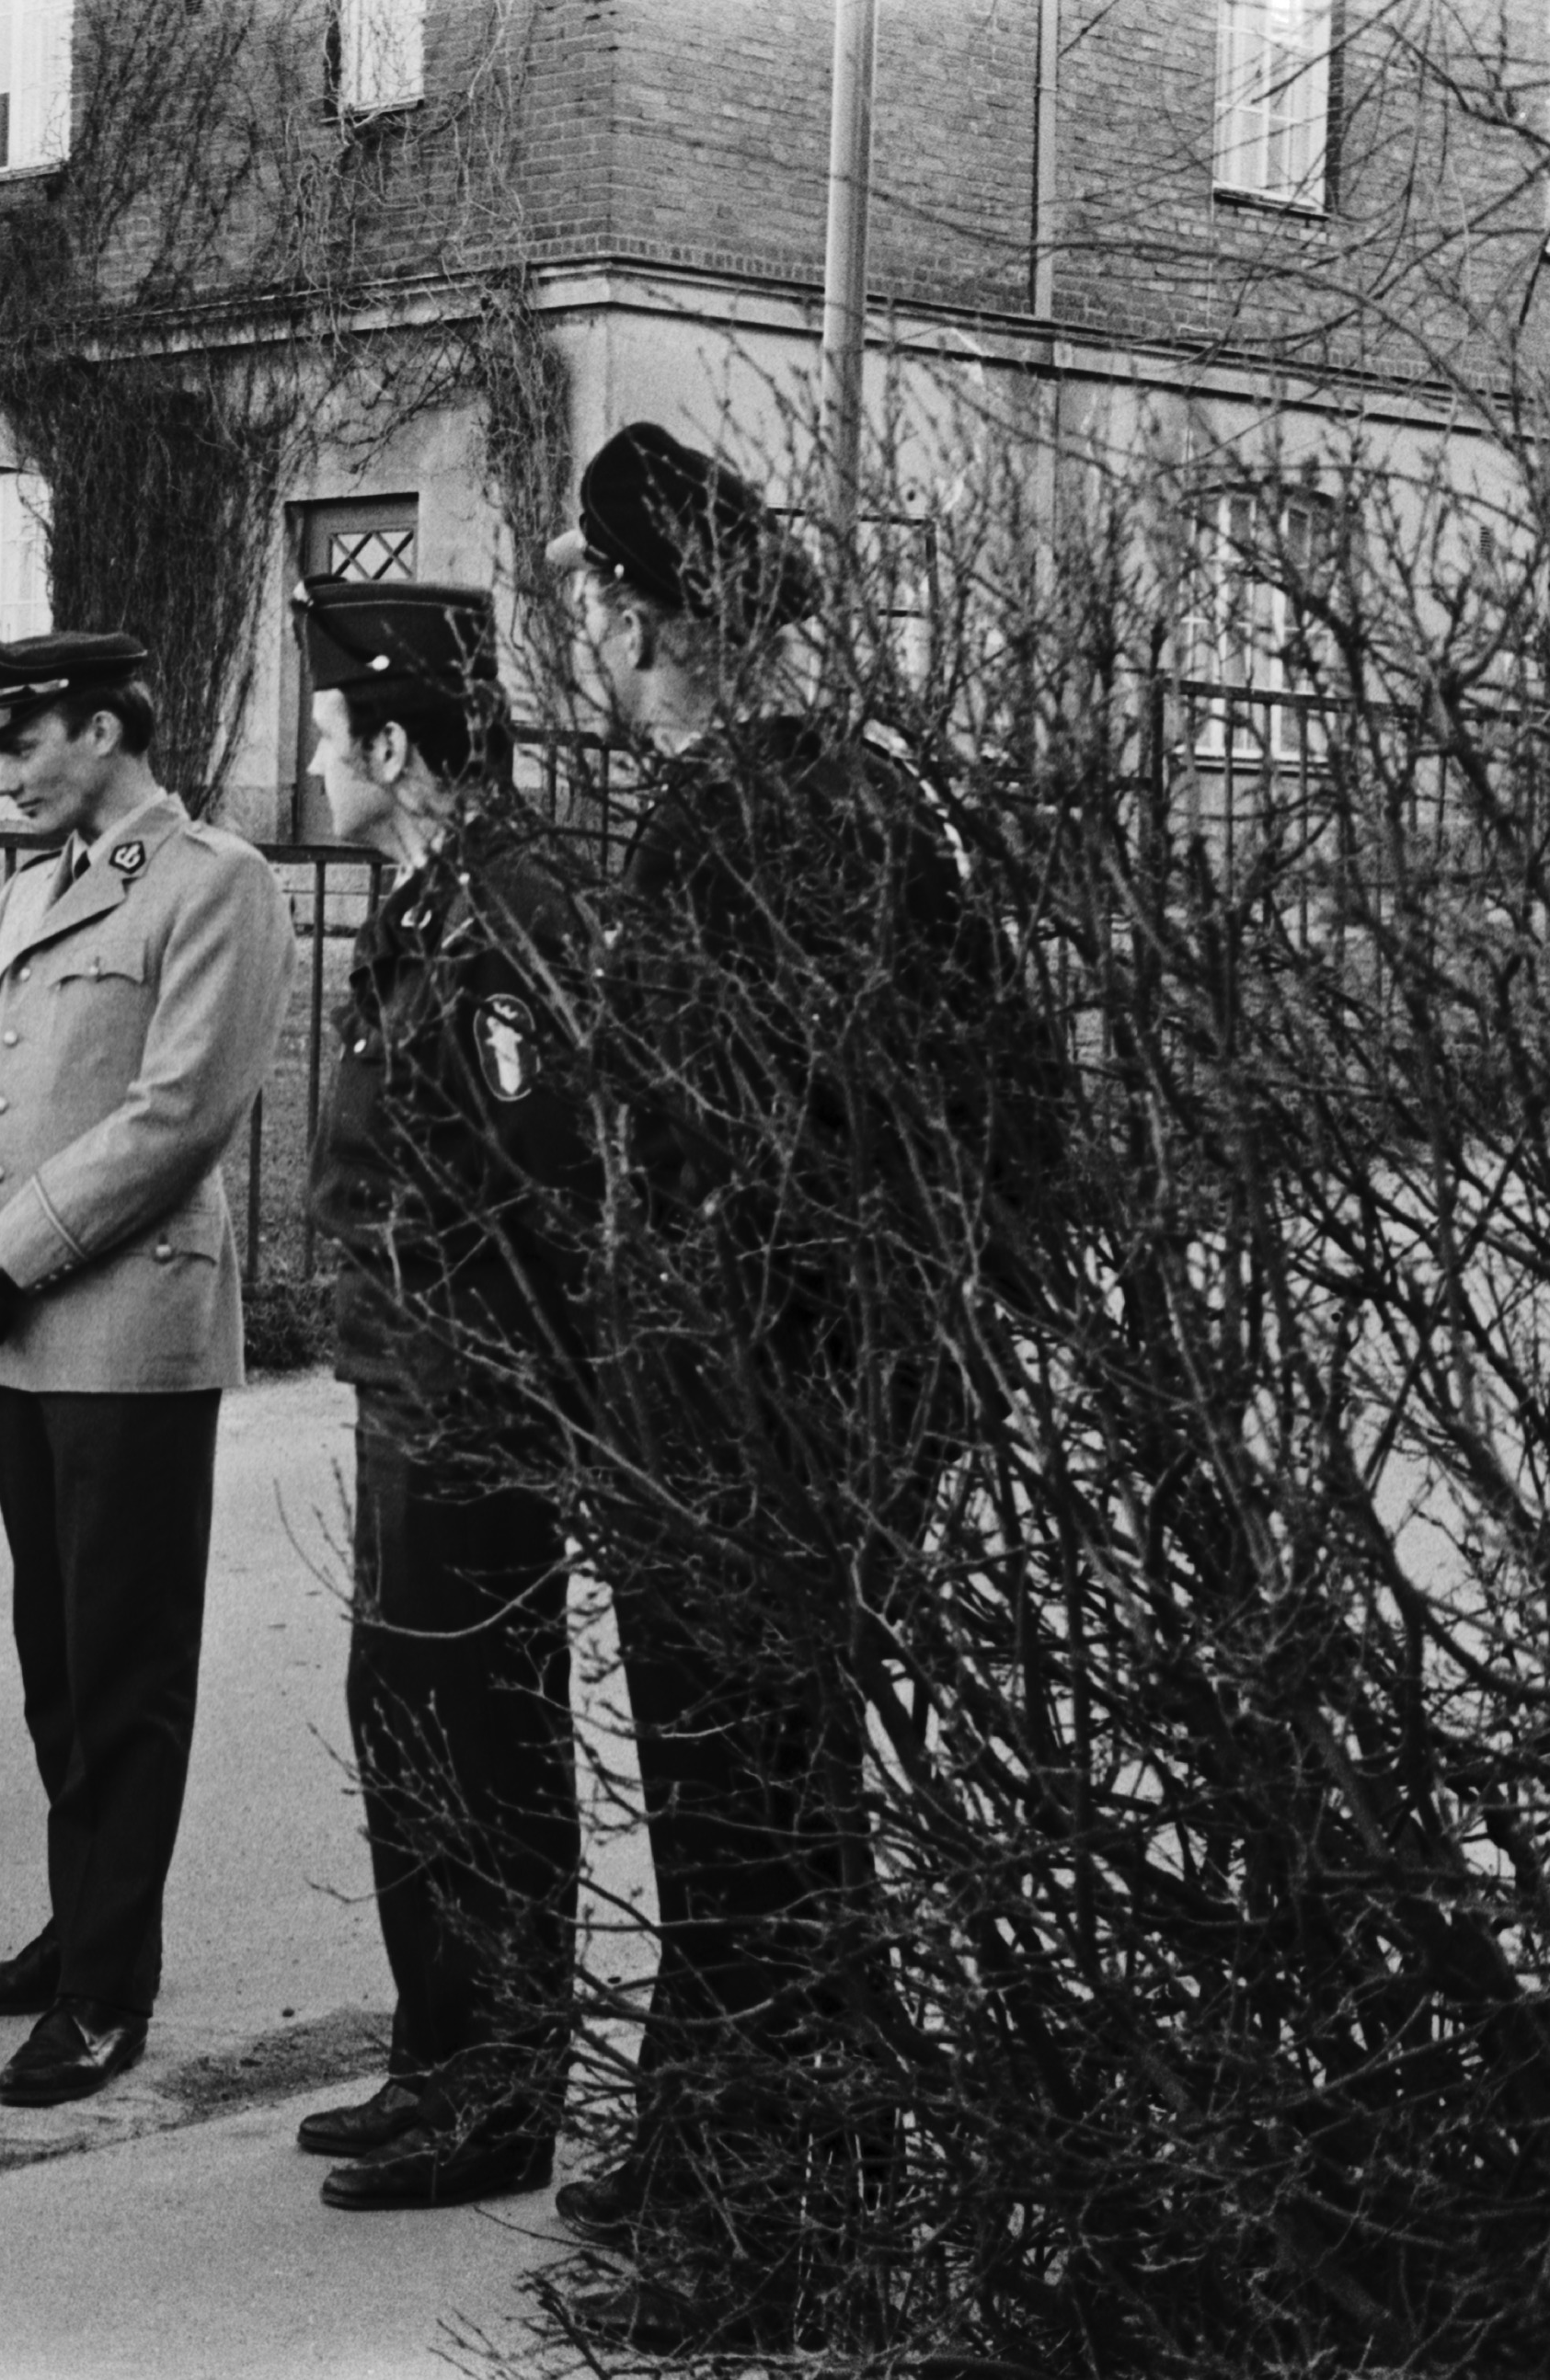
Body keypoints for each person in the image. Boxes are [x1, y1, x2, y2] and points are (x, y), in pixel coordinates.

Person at [540, 422, 1002, 2345]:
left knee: (753, 1811)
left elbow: (735, 1153)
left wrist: (745, 1395)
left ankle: (767, 2226)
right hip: (800, 1401)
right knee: (758, 1798)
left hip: (756, 1411)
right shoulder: (853, 795)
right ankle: (739, 2147)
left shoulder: (745, 818)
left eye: (594, 599)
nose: (588, 635)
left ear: (647, 622)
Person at [0, 629, 289, 2106]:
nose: (2, 773)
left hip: (125, 1326)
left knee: (123, 1667)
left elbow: (179, 1113)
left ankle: (106, 1985)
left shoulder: (214, 881)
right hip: (21, 1336)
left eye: (22, 743)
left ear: (104, 731)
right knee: (56, 1662)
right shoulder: (27, 892)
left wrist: (3, 1251)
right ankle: (82, 1920)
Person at [289, 580, 596, 2210]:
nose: (312, 763)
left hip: (477, 1388)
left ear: (395, 749)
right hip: (406, 1375)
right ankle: (439, 2048)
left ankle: (500, 2086)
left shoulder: (511, 909)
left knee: (479, 1730)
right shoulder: (429, 906)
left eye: (328, 733)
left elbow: (545, 1177)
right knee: (405, 1715)